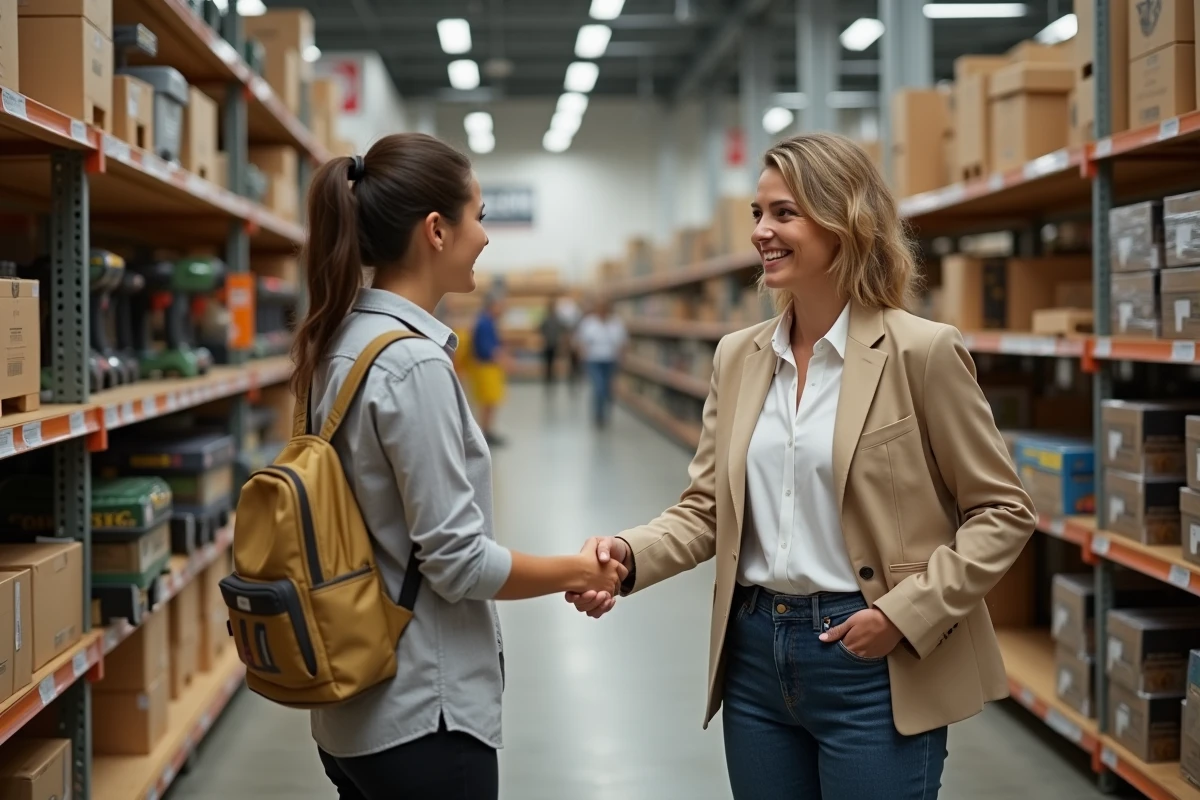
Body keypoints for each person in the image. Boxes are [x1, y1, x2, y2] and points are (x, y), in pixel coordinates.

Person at [567, 133, 1036, 800]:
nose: (762, 232)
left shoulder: (921, 353)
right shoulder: (739, 356)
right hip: (755, 654)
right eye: (758, 215)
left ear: (844, 220)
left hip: (872, 659)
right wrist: (626, 555)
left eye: (783, 213)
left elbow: (1002, 511)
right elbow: (707, 510)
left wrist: (906, 613)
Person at [290, 133, 626, 800]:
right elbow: (458, 562)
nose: (486, 237)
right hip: (421, 710)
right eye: (477, 216)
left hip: (351, 709)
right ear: (436, 231)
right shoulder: (411, 363)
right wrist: (583, 569)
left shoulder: (340, 342)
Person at [574, 299, 627, 427]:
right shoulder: (588, 323)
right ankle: (599, 415)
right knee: (599, 387)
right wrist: (583, 354)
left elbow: (623, 342)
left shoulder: (616, 323)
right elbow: (580, 340)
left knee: (608, 389)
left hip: (610, 360)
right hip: (593, 360)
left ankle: (606, 411)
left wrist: (621, 356)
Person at [471, 294, 507, 445]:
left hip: (489, 367)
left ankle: (488, 430)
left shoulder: (489, 322)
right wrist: (502, 358)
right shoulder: (484, 323)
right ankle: (485, 432)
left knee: (491, 402)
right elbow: (486, 348)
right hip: (486, 367)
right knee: (487, 402)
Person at [538, 296, 566, 387]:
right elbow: (541, 329)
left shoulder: (557, 319)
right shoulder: (546, 318)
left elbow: (562, 330)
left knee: (554, 363)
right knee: (548, 363)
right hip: (548, 344)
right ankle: (548, 379)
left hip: (555, 343)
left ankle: (553, 379)